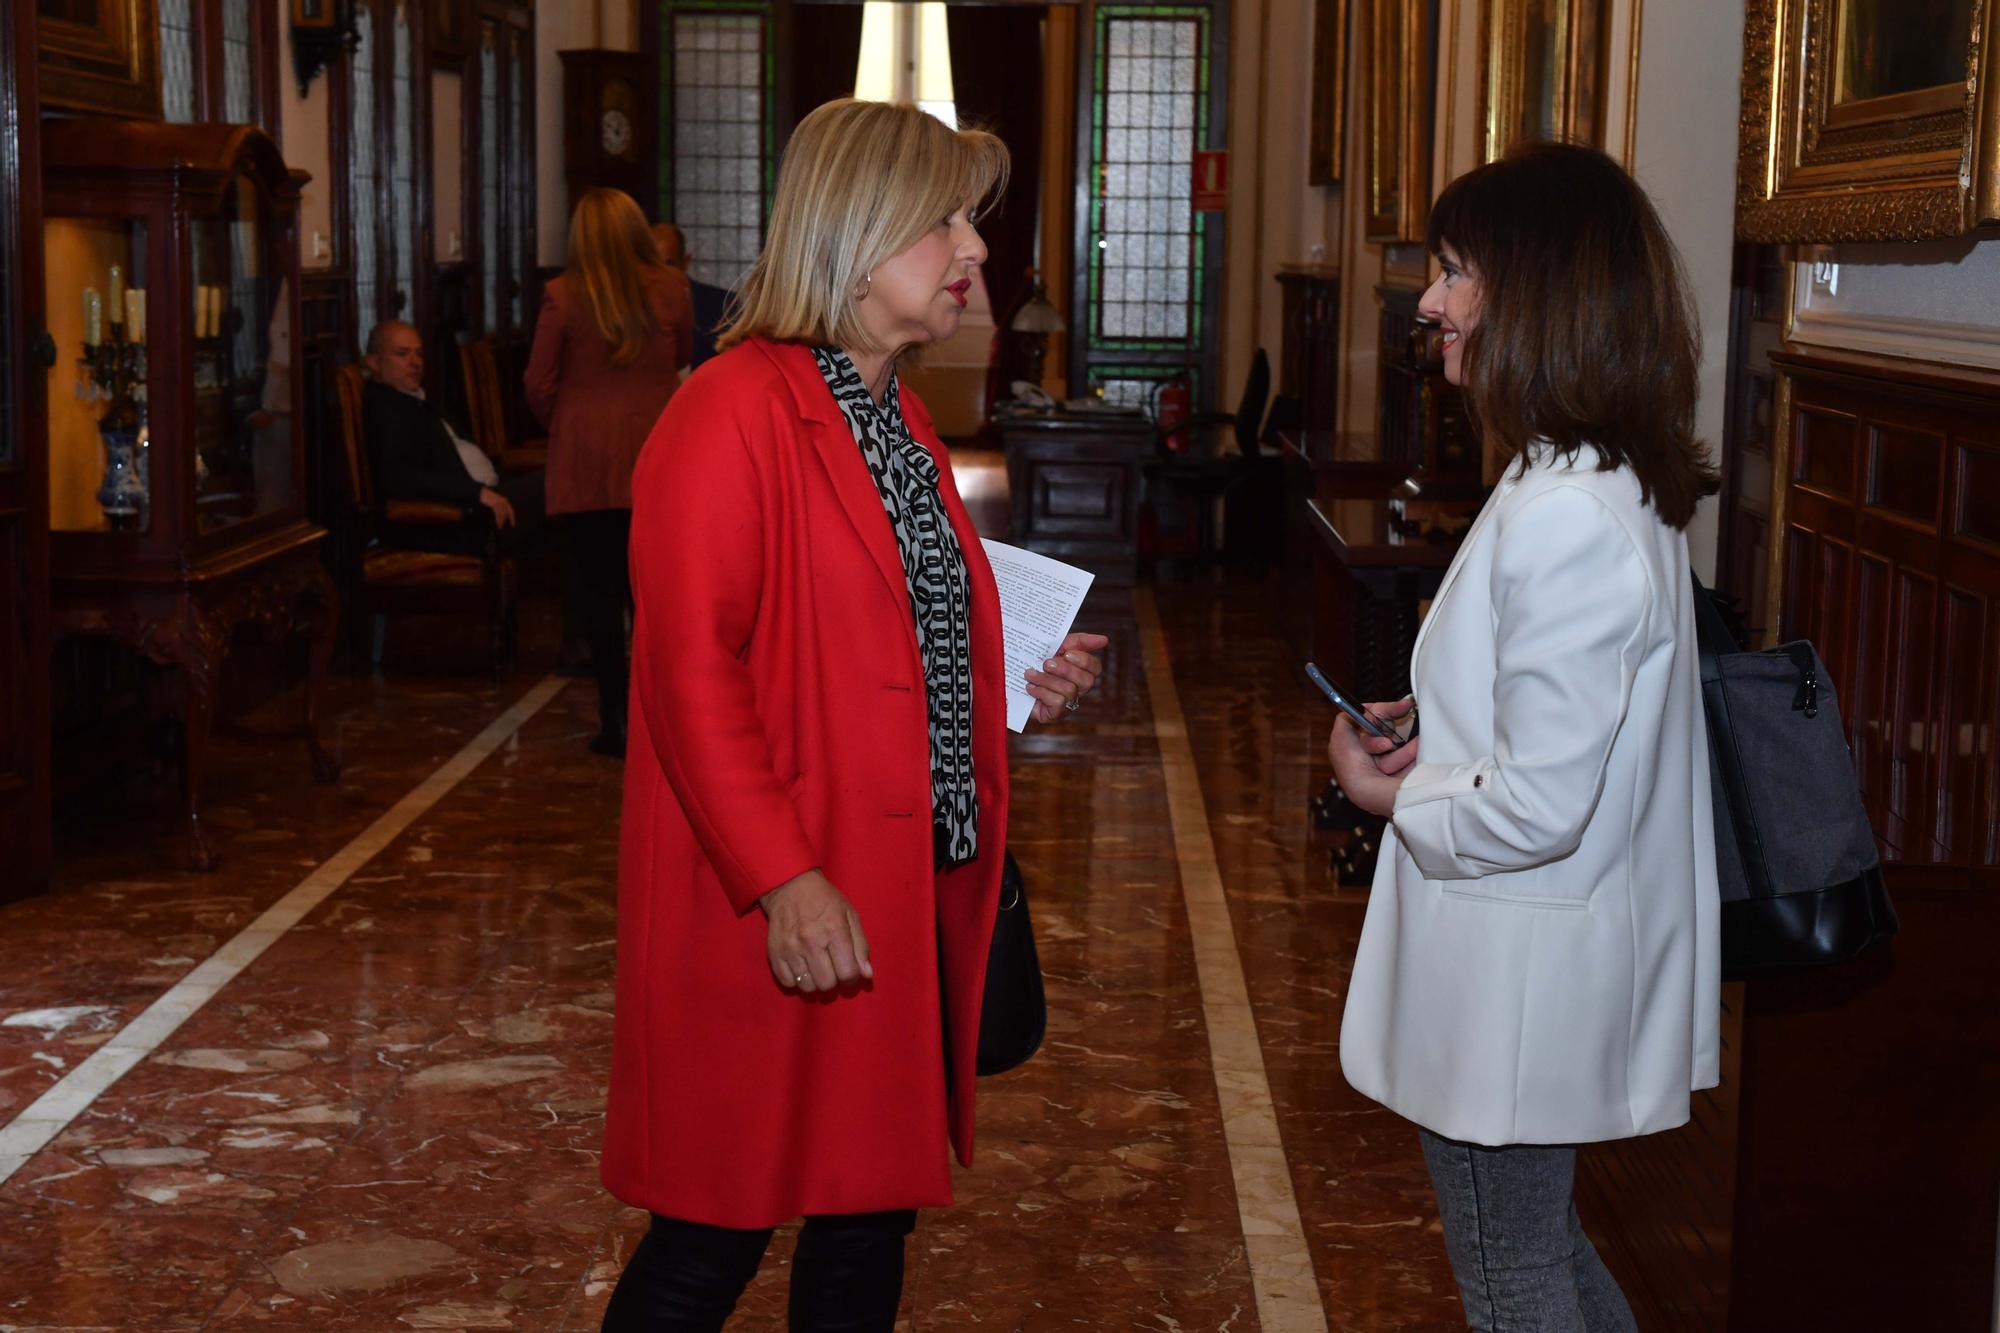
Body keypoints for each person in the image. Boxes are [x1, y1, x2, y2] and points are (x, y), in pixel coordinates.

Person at [599, 99, 1107, 1331]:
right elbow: (689, 669)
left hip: (894, 887)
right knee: (710, 1234)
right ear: (854, 231)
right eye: (942, 222)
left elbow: (877, 626)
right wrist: (783, 877)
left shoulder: (898, 418)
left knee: (864, 1224)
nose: (971, 250)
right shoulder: (727, 411)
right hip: (782, 894)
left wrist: (1005, 676)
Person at [1326, 142, 1721, 1332]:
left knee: (1510, 1277)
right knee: (1539, 1251)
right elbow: (1545, 719)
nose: (1430, 301)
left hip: (1517, 986)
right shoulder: (1576, 475)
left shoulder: (1564, 511)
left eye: (1455, 273)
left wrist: (1386, 793)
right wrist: (1432, 723)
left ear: (1541, 292)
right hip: (1527, 971)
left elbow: (1540, 803)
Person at [525, 188, 694, 757]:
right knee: (655, 592)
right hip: (657, 451)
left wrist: (571, 420)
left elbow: (537, 382)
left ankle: (613, 720)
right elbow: (680, 357)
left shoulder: (562, 295)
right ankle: (662, 721)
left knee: (596, 593)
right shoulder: (672, 288)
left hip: (585, 462)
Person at [362, 319, 544, 551]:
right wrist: (477, 493)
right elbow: (401, 476)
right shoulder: (385, 407)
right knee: (561, 482)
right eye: (402, 354)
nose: (415, 362)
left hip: (486, 498)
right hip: (457, 521)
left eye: (419, 354)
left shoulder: (414, 400)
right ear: (374, 362)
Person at [652, 221, 728, 369]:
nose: (660, 273)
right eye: (653, 265)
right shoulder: (633, 309)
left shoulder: (720, 305)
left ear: (685, 262)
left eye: (668, 265)